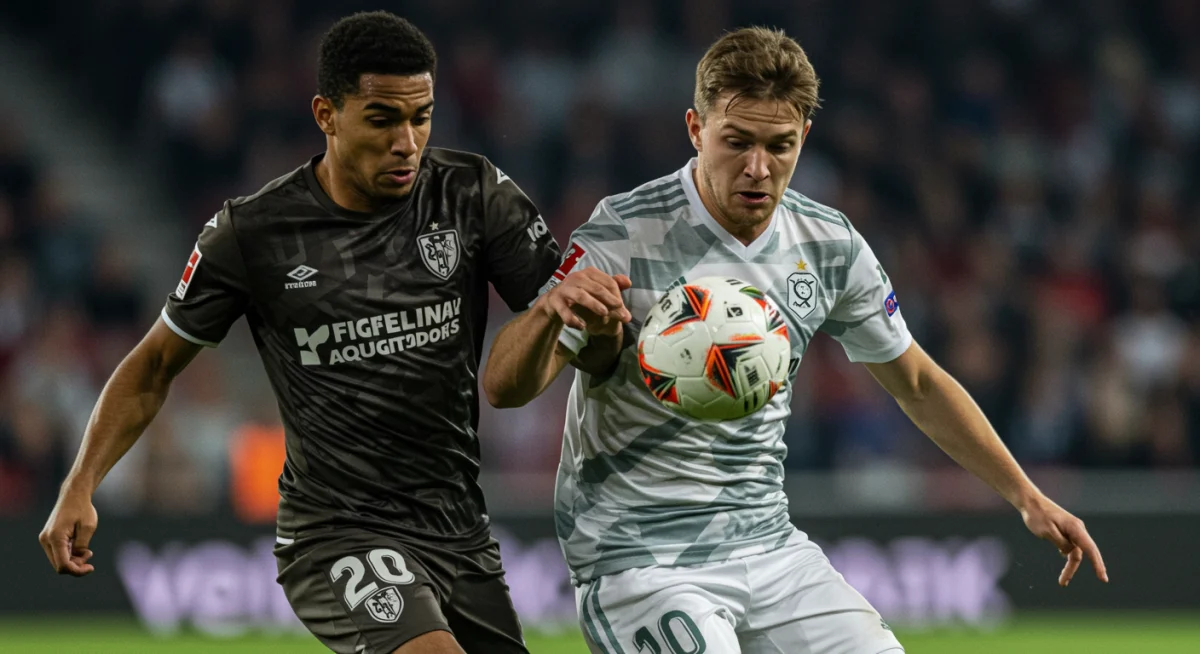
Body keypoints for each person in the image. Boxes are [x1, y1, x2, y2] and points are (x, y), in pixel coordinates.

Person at [483, 27, 1108, 653]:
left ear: (804, 137)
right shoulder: (624, 231)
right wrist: (546, 316)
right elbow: (504, 388)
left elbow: (917, 382)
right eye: (737, 142)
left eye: (780, 146)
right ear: (696, 130)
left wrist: (1027, 497)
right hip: (639, 558)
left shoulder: (827, 246)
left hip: (768, 546)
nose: (759, 168)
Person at [38, 11, 563, 654]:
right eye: (382, 119)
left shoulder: (470, 194)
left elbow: (561, 316)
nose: (407, 141)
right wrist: (80, 485)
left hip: (458, 527)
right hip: (337, 531)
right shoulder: (253, 233)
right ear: (326, 114)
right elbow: (152, 367)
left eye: (421, 116)